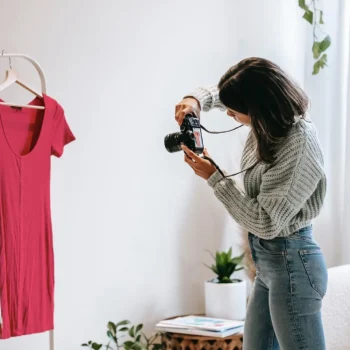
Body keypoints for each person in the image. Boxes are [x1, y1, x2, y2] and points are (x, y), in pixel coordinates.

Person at [175, 57, 328, 350]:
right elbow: (226, 95)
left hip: (292, 263)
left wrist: (215, 178)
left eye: (235, 111)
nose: (229, 113)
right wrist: (195, 100)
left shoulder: (299, 144)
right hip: (270, 264)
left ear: (260, 108)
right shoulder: (272, 124)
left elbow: (267, 222)